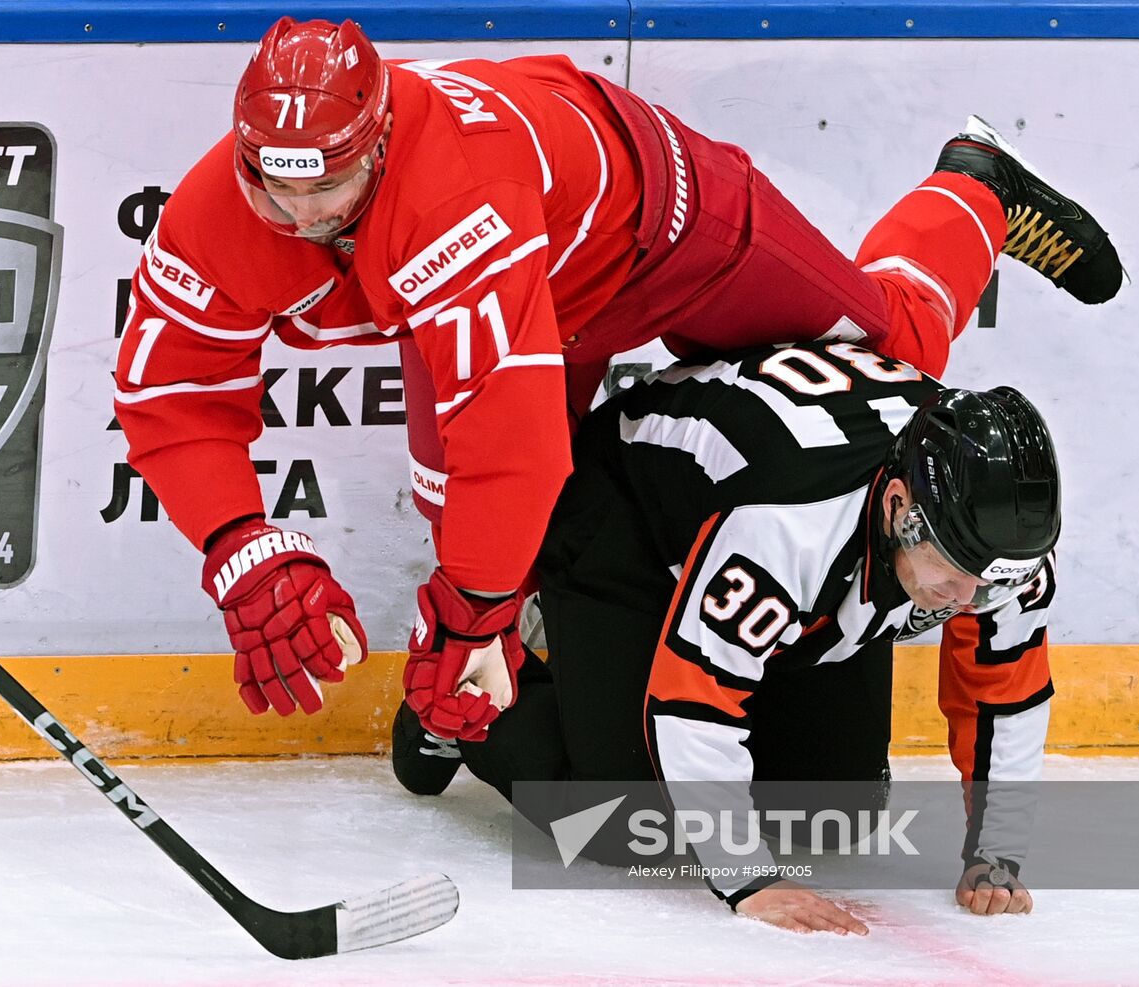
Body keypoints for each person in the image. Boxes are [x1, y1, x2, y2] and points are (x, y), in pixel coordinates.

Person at [113, 15, 1119, 740]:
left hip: (665, 231)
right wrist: (242, 544)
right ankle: (507, 682)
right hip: (544, 277)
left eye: (325, 184)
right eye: (269, 183)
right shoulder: (219, 206)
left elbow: (507, 451)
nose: (297, 214)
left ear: (376, 147)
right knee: (463, 509)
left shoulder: (453, 193)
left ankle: (971, 185)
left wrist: (471, 618)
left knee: (888, 348)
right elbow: (168, 392)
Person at [394, 343, 1062, 934]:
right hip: (626, 506)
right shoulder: (791, 524)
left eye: (991, 582)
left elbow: (1005, 686)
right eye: (953, 572)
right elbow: (693, 703)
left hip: (770, 539)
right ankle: (469, 700)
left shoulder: (996, 548)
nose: (968, 600)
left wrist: (994, 853)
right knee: (627, 823)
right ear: (896, 506)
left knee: (839, 805)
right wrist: (749, 878)